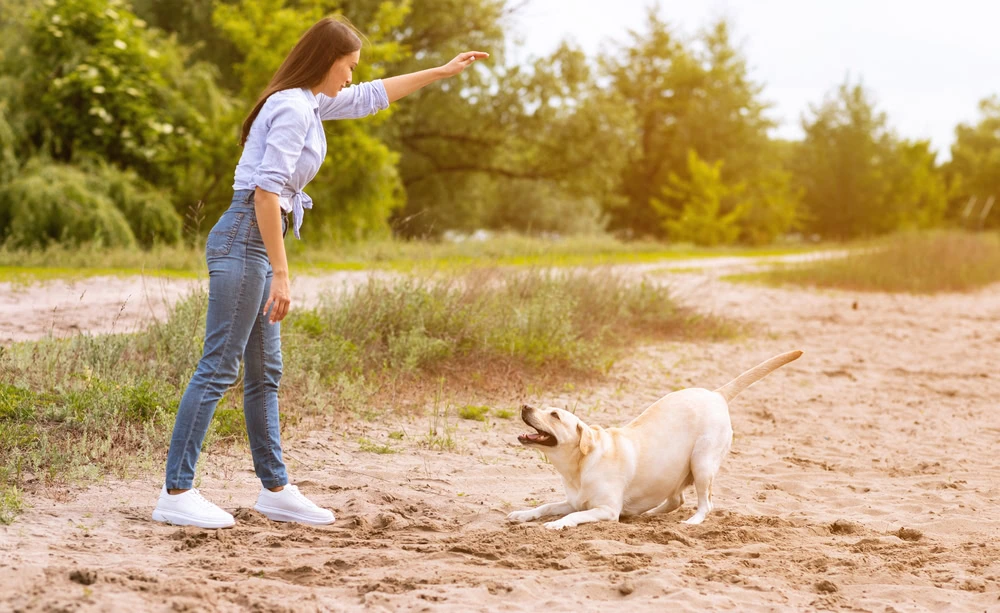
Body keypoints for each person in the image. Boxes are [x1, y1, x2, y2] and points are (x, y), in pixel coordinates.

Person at [152, 16, 488, 529]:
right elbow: (266, 193)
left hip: (256, 242)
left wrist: (439, 72)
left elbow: (373, 95)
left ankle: (276, 489)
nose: (352, 77)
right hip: (247, 239)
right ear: (326, 60)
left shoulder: (308, 101)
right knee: (219, 367)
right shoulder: (291, 107)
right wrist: (282, 276)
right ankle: (177, 492)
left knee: (265, 374)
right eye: (348, 66)